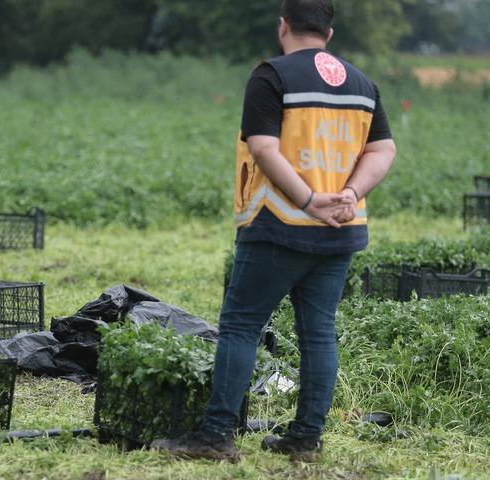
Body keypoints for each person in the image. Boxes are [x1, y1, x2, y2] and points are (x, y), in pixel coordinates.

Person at [152, 0, 397, 462]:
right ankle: (305, 439)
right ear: (329, 33)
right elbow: (383, 150)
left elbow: (264, 147)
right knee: (318, 333)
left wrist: (307, 200)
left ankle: (215, 435)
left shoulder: (272, 76)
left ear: (283, 25)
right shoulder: (362, 84)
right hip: (339, 231)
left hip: (279, 225)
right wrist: (349, 193)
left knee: (241, 326)